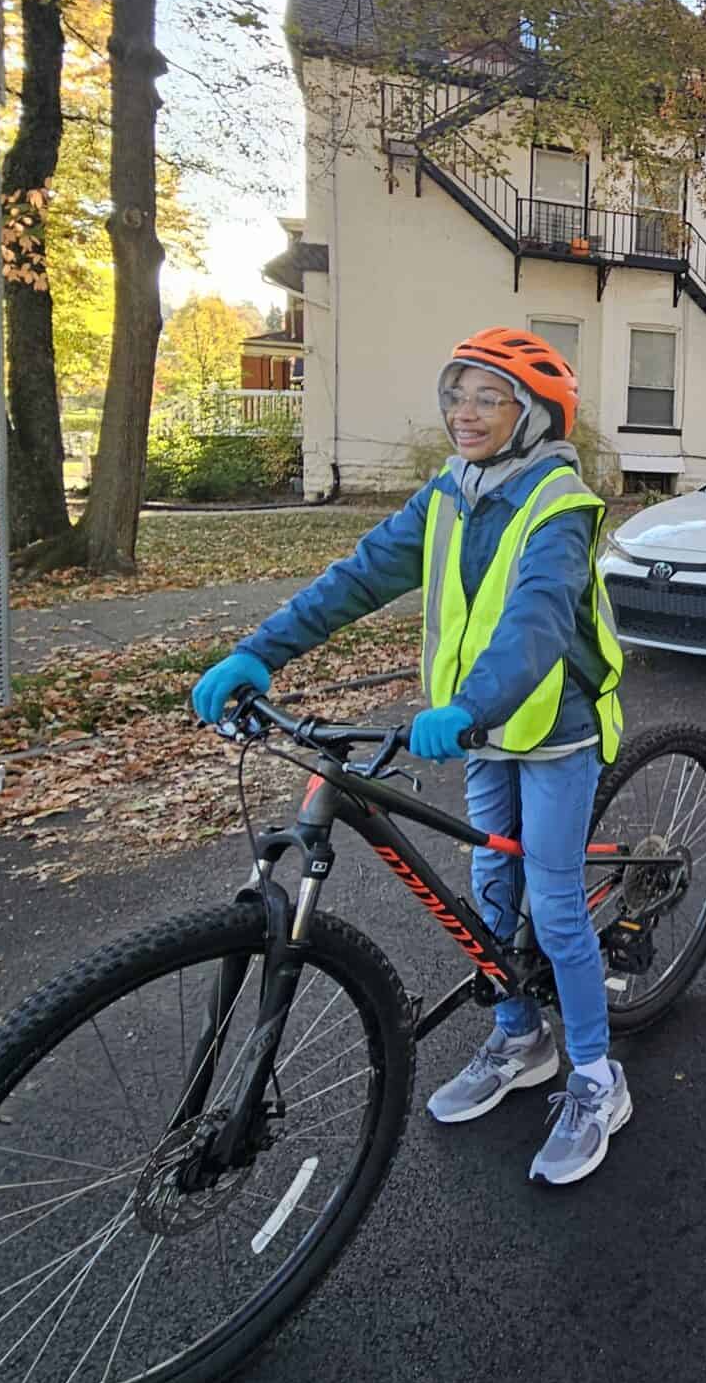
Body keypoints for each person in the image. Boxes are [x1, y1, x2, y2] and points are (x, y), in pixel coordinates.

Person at [187, 326, 633, 1187]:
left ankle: (593, 1076)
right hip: (475, 727)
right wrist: (261, 651)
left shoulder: (560, 505)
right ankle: (517, 1036)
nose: (464, 413)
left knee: (554, 900)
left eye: (487, 398)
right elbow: (357, 576)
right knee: (487, 889)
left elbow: (537, 619)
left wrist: (471, 705)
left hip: (547, 727)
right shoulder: (449, 494)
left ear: (534, 415)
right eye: (455, 394)